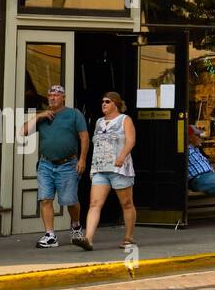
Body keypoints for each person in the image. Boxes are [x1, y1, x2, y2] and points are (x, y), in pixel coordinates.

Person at [22, 84, 88, 248]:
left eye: (56, 95)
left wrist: (82, 160)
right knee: (45, 199)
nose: (53, 98)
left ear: (63, 97)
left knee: (70, 200)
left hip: (68, 163)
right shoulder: (43, 116)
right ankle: (50, 235)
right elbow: (22, 132)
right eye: (50, 95)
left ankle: (76, 226)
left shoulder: (73, 114)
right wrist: (38, 116)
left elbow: (84, 137)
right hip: (46, 164)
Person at [73, 92, 136, 251]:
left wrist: (122, 156)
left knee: (126, 203)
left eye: (107, 101)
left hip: (119, 168)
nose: (104, 104)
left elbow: (131, 140)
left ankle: (128, 237)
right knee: (94, 203)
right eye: (102, 101)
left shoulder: (124, 120)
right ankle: (88, 238)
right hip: (100, 168)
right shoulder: (99, 122)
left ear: (116, 103)